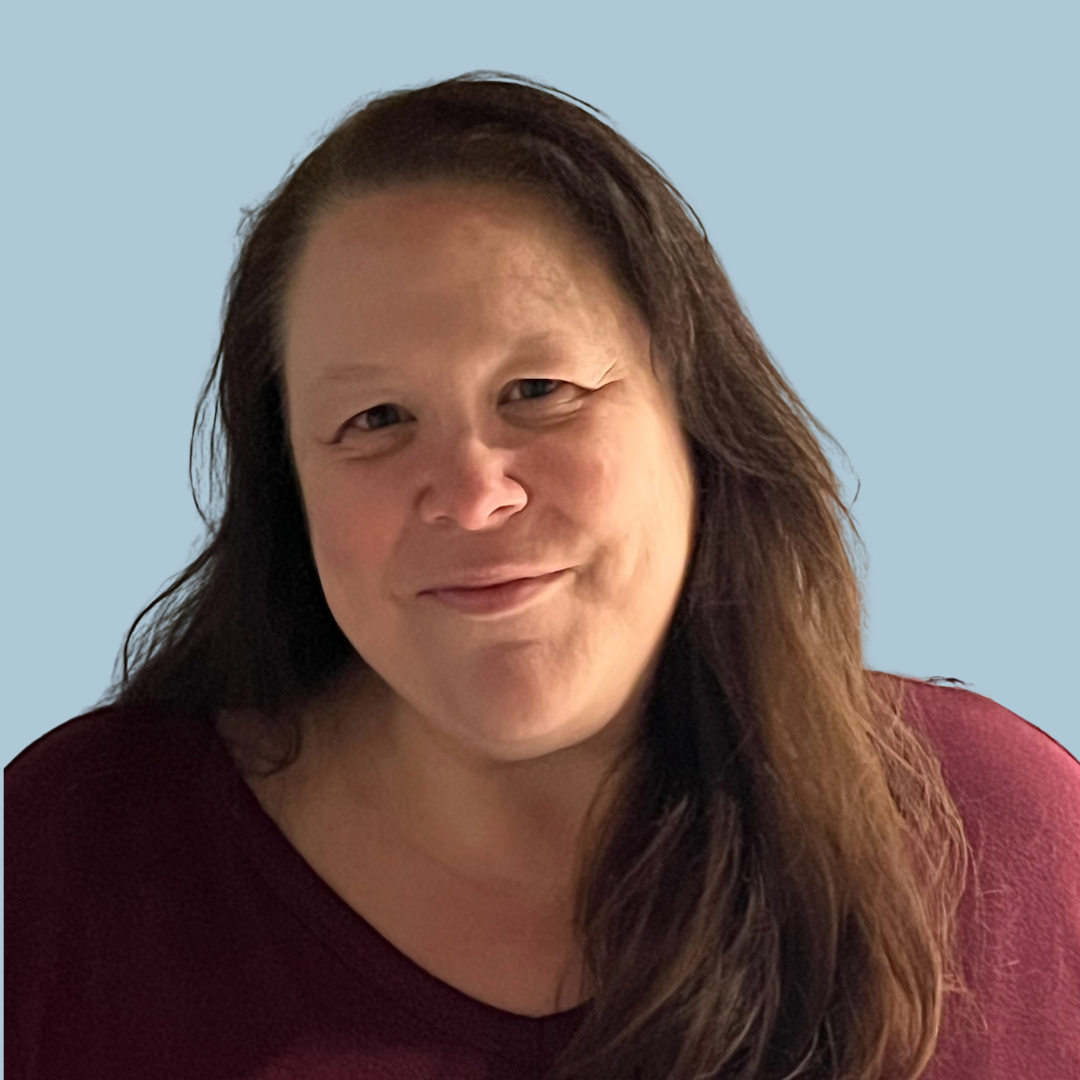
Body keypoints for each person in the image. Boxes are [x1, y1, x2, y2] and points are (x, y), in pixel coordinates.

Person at [6, 71, 1079, 1080]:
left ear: (699, 423)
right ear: (288, 488)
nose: (472, 494)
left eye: (538, 390)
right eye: (375, 418)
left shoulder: (1005, 836)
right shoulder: (67, 856)